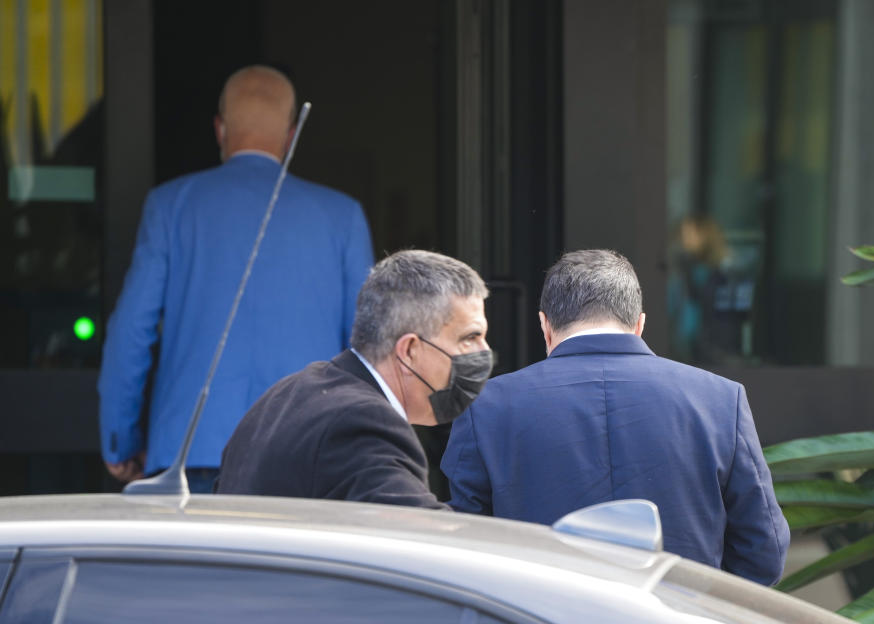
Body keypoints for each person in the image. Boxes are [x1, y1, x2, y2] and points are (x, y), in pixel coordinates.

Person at [98, 65, 374, 492]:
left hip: (192, 453)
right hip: (309, 453)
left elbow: (131, 330)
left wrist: (121, 438)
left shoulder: (171, 206)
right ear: (291, 134)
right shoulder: (343, 217)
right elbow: (367, 349)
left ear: (220, 129)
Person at [441, 249, 789, 585]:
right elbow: (764, 550)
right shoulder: (720, 399)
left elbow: (464, 546)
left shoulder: (486, 406)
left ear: (545, 326)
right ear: (639, 324)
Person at [215, 250, 493, 508]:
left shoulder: (286, 394)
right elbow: (420, 540)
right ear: (409, 351)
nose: (485, 352)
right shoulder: (365, 422)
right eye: (469, 338)